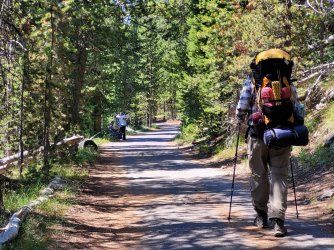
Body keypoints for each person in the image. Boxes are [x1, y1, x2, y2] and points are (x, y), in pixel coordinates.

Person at [236, 70, 301, 237]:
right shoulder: (286, 80)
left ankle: (261, 216)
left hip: (258, 136)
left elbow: (242, 107)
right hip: (281, 135)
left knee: (259, 174)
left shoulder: (252, 81)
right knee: (279, 176)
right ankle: (278, 221)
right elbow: (298, 108)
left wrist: (240, 119)